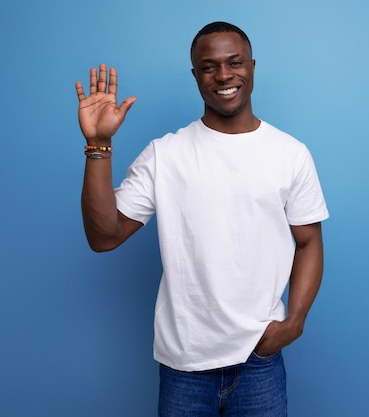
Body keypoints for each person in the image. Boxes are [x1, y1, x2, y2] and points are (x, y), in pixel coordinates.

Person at [75, 21, 329, 416]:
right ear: (196, 76)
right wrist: (99, 145)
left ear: (252, 67)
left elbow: (309, 241)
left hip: (259, 360)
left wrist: (293, 322)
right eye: (209, 67)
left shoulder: (290, 154)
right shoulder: (166, 154)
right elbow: (103, 236)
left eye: (235, 62)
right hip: (184, 366)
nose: (224, 75)